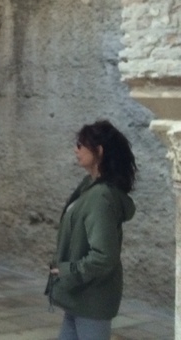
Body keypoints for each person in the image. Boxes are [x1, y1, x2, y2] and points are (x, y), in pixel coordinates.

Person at [45, 120, 137, 340]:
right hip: (79, 295)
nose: (75, 150)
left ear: (99, 151)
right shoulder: (90, 186)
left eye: (80, 144)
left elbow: (104, 257)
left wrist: (68, 271)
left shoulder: (101, 197)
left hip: (92, 299)